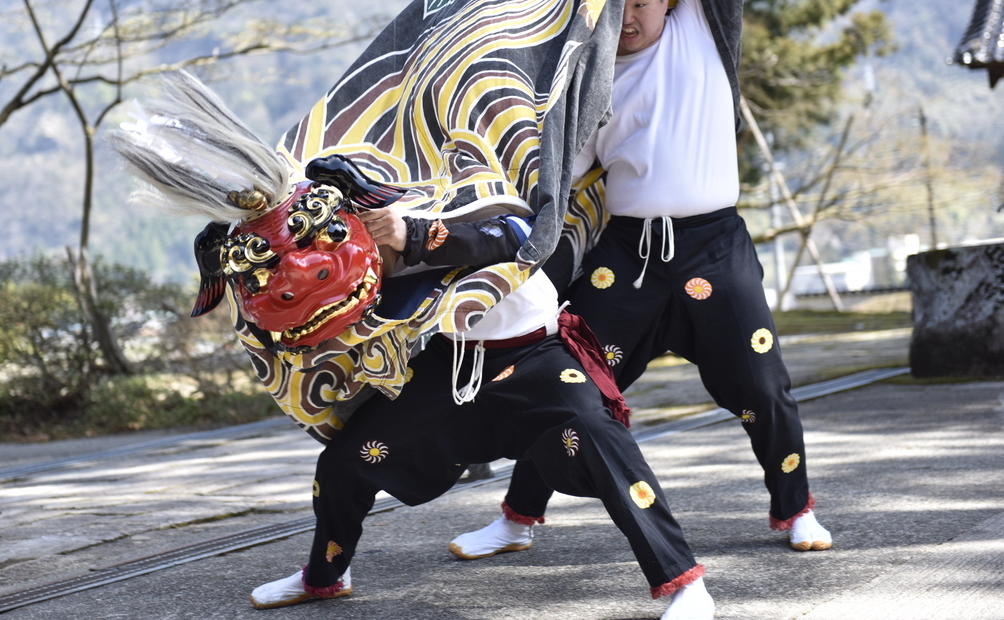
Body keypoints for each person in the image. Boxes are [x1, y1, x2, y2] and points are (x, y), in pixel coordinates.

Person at [448, 0, 833, 561]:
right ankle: (517, 518)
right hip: (628, 255)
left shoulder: (700, 28)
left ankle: (795, 510)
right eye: (615, 9)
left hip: (714, 247)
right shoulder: (586, 81)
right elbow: (560, 173)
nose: (628, 20)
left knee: (763, 385)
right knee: (565, 377)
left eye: (641, 3)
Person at [249, 205, 716, 619]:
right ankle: (325, 573)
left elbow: (519, 233)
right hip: (451, 360)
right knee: (344, 461)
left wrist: (414, 231)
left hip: (536, 354)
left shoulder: (477, 158)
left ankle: (687, 584)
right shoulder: (361, 192)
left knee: (601, 439)